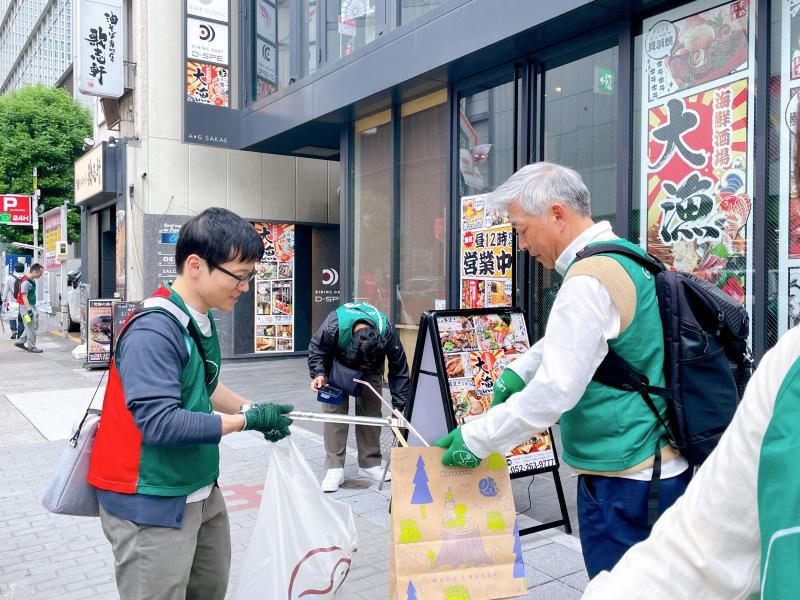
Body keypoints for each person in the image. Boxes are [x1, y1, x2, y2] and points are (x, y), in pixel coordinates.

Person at [433, 162, 690, 578]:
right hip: (657, 465)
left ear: (556, 214)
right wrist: (519, 370)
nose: (521, 245)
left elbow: (556, 390)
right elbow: (590, 341)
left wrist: (477, 438)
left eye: (521, 228)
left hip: (624, 482)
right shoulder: (627, 257)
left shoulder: (587, 280)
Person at [87, 207, 295, 600]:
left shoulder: (197, 317)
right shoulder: (154, 329)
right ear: (196, 265)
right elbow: (160, 424)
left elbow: (205, 384)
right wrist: (245, 423)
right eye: (240, 275)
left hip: (200, 492)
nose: (245, 287)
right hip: (150, 500)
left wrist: (252, 408)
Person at [581, 322, 800, 599]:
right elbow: (697, 555)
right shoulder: (787, 366)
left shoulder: (590, 280)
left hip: (617, 460)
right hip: (665, 454)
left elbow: (559, 376)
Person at [308, 301, 410, 492]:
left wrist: (399, 405)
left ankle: (369, 465)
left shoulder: (386, 331)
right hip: (337, 364)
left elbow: (399, 368)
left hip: (372, 367)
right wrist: (319, 373)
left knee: (371, 412)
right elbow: (317, 349)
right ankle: (334, 468)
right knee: (334, 414)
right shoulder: (333, 326)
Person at [14, 263, 43, 353]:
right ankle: (32, 346)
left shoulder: (31, 280)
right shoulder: (26, 282)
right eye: (40, 273)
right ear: (35, 271)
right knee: (31, 327)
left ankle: (20, 342)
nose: (41, 275)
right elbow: (24, 297)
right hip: (26, 309)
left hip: (31, 307)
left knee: (33, 326)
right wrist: (29, 310)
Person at [2, 262, 25, 339]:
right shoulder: (26, 277)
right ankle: (20, 333)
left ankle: (14, 331)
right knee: (22, 318)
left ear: (15, 269)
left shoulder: (9, 278)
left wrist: (4, 300)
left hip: (12, 301)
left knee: (12, 316)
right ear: (23, 269)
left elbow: (6, 290)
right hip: (23, 302)